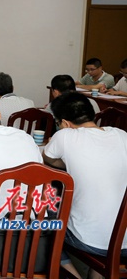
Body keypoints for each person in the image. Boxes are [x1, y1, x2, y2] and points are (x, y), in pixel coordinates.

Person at [43, 92, 127, 279]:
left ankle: (73, 274)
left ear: (65, 123)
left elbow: (48, 159)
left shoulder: (64, 136)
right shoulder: (122, 135)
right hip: (124, 239)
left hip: (90, 242)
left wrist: (70, 162)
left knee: (43, 213)